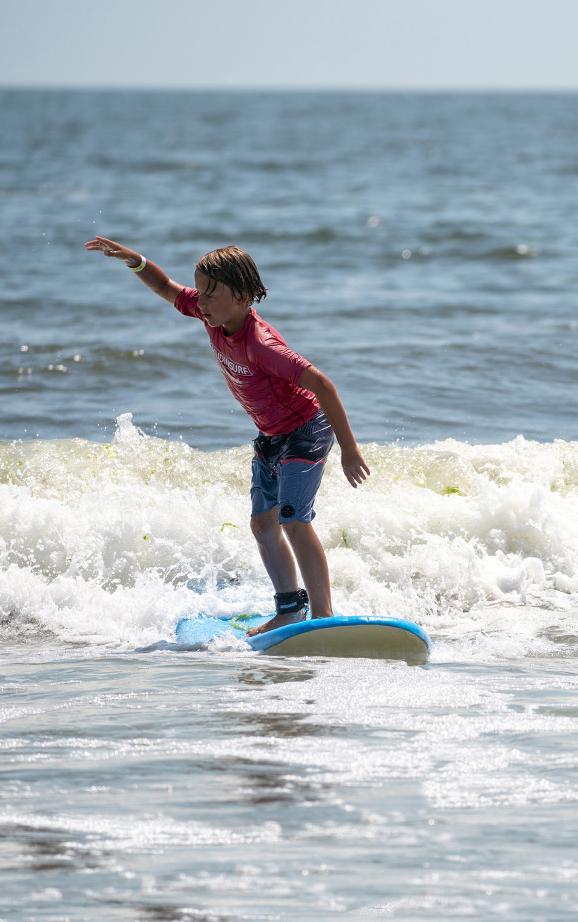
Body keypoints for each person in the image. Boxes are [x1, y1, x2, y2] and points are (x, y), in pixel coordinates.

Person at [85, 236, 370, 633]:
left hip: (306, 430)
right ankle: (289, 609)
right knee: (262, 524)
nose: (199, 302)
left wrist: (349, 451)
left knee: (292, 519)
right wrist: (136, 261)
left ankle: (323, 616)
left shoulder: (261, 345)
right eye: (200, 292)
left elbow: (322, 385)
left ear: (242, 296)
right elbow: (166, 288)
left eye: (210, 295)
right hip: (271, 435)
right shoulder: (210, 316)